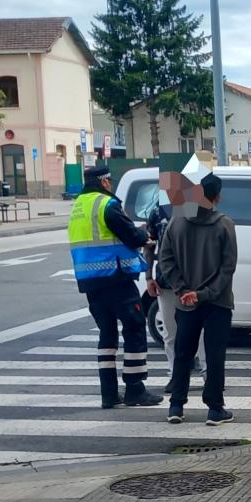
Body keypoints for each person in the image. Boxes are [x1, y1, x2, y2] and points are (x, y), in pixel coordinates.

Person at [67, 165, 163, 409]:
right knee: (134, 325)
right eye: (109, 180)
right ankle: (135, 389)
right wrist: (145, 237)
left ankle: (108, 394)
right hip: (115, 278)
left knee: (107, 334)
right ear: (104, 181)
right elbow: (130, 234)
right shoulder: (105, 204)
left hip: (90, 282)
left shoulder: (78, 206)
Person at [158, 173, 238, 426]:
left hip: (185, 303)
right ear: (218, 196)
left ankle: (176, 405)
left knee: (183, 353)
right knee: (214, 354)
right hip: (218, 303)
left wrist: (183, 290)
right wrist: (204, 293)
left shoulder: (176, 222)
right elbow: (228, 268)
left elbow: (166, 260)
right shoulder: (224, 224)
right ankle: (215, 408)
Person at [144, 199, 204, 393]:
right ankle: (174, 376)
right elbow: (149, 244)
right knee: (170, 332)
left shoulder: (196, 208)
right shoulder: (158, 213)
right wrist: (148, 277)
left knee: (201, 330)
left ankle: (208, 375)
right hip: (166, 280)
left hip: (194, 280)